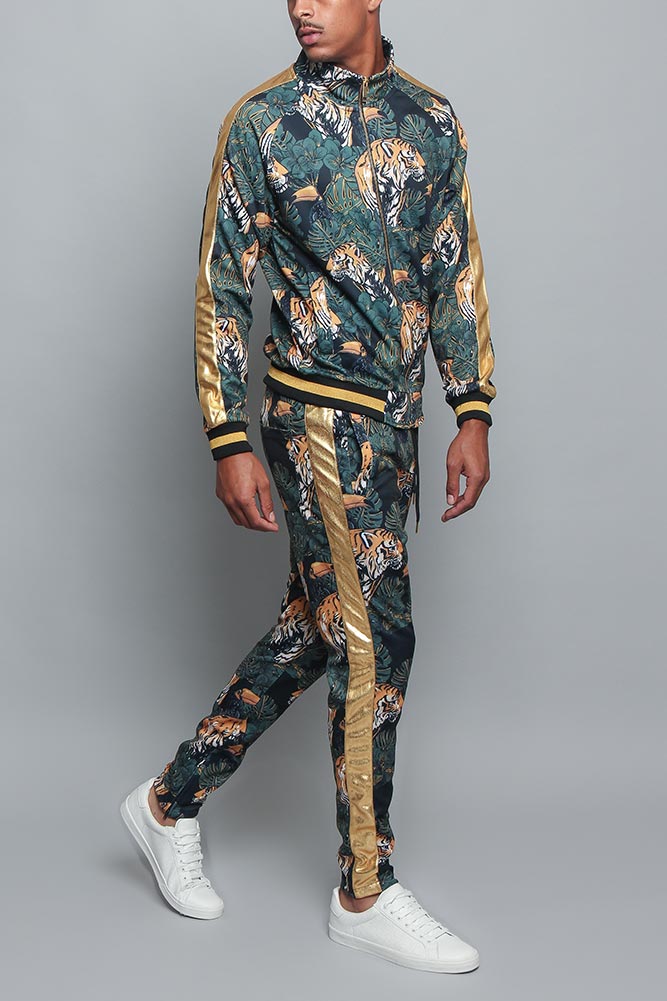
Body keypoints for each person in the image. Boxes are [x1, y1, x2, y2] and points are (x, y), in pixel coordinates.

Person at [121, 0, 496, 974]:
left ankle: (169, 800)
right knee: (376, 640)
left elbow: (452, 268)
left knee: (321, 626)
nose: (299, 5)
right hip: (315, 417)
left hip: (397, 425)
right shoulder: (262, 122)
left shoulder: (431, 120)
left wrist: (471, 408)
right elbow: (221, 285)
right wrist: (227, 436)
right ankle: (364, 887)